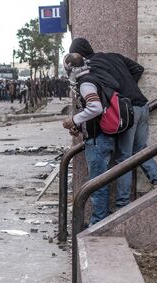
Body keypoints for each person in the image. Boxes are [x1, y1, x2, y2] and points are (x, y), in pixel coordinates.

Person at [70, 38, 157, 208]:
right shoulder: (113, 56)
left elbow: (104, 90)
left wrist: (120, 96)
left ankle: (123, 204)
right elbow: (138, 68)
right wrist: (129, 86)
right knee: (140, 149)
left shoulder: (90, 67)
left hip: (127, 111)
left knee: (124, 158)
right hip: (143, 106)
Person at [62, 53, 119, 225]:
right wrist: (79, 127)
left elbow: (95, 107)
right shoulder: (93, 78)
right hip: (101, 138)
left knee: (97, 183)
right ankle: (100, 216)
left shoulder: (86, 83)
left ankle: (98, 221)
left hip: (97, 140)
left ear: (70, 68)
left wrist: (74, 120)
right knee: (100, 181)